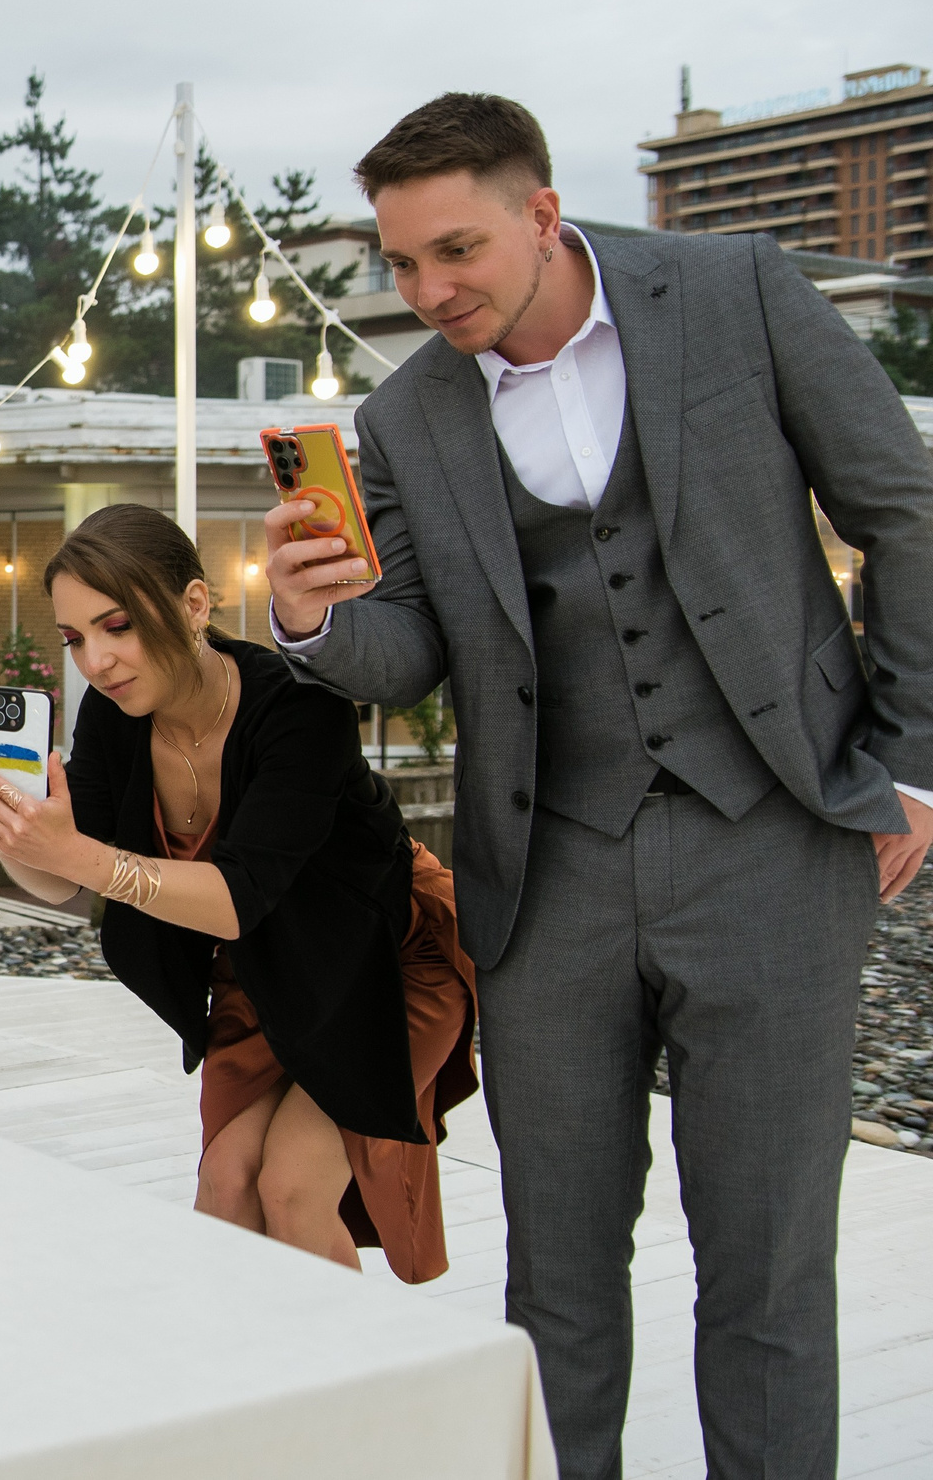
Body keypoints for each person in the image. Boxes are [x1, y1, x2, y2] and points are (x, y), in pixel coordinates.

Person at [266, 93, 933, 1480]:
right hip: (550, 878)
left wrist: (915, 766)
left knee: (767, 1282)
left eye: (455, 251)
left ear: (544, 214)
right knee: (555, 1282)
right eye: (399, 263)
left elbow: (904, 511)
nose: (427, 290)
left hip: (779, 847)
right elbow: (409, 659)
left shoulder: (740, 294)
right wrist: (314, 620)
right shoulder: (401, 420)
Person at [0, 505, 476, 1282]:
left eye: (118, 626)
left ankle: (355, 1388)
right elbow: (67, 878)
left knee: (294, 1185)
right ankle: (254, 1379)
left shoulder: (301, 704)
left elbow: (238, 895)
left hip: (383, 957)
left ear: (195, 605)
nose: (95, 661)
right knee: (226, 1184)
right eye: (75, 639)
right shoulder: (114, 716)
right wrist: (17, 842)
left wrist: (79, 855)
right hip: (266, 969)